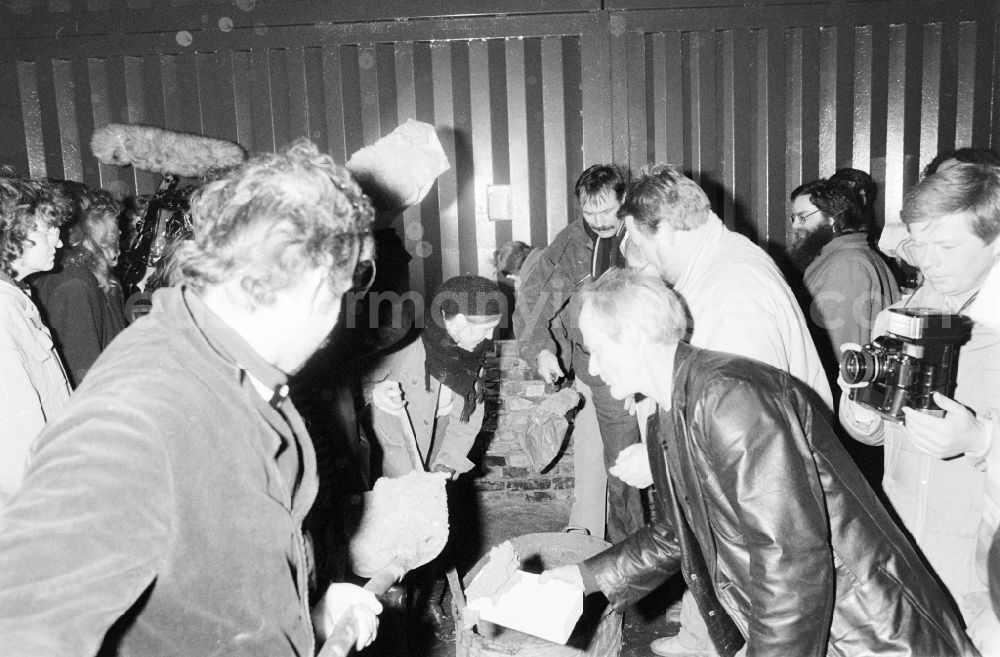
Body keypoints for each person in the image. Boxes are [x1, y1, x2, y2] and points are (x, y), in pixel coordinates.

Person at [0, 140, 384, 656]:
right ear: (316, 284)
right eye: (346, 289)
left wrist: (304, 616)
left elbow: (204, 595)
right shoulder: (142, 416)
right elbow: (22, 629)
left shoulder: (228, 368)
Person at [542, 268, 977, 657]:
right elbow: (676, 534)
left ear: (634, 336)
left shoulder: (730, 399)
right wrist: (580, 580)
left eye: (597, 350)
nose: (594, 368)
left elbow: (790, 560)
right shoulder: (669, 408)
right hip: (821, 628)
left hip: (864, 631)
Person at [612, 164, 832, 656]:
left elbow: (748, 436)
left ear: (666, 229)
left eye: (635, 238)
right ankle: (704, 634)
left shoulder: (732, 292)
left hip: (782, 497)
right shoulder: (717, 266)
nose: (632, 253)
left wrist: (659, 458)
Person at [839, 162, 1000, 653]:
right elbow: (875, 427)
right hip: (903, 552)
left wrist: (981, 440)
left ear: (995, 241)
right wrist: (862, 412)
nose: (927, 262)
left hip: (978, 576)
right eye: (919, 244)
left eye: (946, 247)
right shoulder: (906, 314)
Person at [513, 163, 643, 542]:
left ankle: (631, 560)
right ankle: (601, 545)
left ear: (625, 200)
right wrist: (540, 350)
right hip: (592, 370)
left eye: (607, 210)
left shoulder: (643, 235)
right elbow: (534, 300)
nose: (599, 220)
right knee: (606, 465)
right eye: (589, 211)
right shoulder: (571, 242)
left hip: (635, 370)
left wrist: (642, 382)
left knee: (628, 468)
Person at [363, 274, 503, 479]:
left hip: (439, 436)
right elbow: (345, 384)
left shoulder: (472, 352)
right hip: (392, 446)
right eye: (486, 329)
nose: (490, 336)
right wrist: (371, 391)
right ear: (460, 321)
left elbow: (468, 416)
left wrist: (447, 463)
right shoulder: (402, 340)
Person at [0, 175, 72, 504]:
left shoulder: (18, 298)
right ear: (14, 232)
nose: (58, 243)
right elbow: (15, 437)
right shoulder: (3, 313)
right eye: (47, 231)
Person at [787, 178, 900, 371]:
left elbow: (842, 349)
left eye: (803, 217)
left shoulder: (846, 264)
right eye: (793, 218)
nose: (795, 226)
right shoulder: (842, 256)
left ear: (831, 219)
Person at [31, 194, 128, 387]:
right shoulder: (74, 284)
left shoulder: (102, 278)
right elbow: (81, 370)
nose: (120, 235)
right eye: (115, 228)